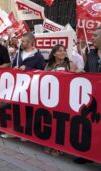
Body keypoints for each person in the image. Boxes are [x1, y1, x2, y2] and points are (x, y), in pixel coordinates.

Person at [73, 27, 101, 164]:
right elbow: (88, 73)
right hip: (95, 98)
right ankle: (88, 154)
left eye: (95, 35)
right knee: (91, 124)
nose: (92, 38)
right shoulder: (91, 55)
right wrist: (81, 72)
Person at [43, 44, 76, 156]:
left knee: (62, 123)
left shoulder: (69, 64)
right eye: (60, 51)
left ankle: (60, 147)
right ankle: (51, 143)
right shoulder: (49, 64)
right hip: (51, 98)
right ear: (54, 53)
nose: (63, 53)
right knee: (51, 121)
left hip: (64, 98)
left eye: (64, 51)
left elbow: (74, 80)